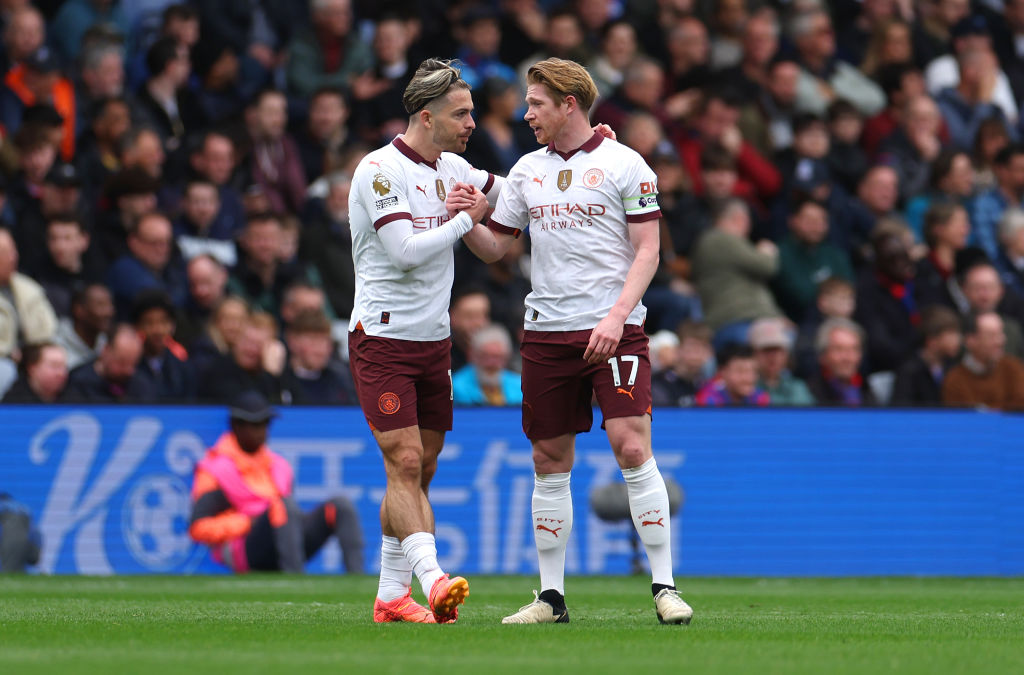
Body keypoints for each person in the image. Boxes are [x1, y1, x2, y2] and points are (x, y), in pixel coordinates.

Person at [455, 57, 693, 625]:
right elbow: (498, 247)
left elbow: (649, 251)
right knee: (548, 459)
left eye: (536, 103)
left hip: (616, 331)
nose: (526, 113)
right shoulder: (527, 170)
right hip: (546, 334)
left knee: (631, 447)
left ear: (568, 104)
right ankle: (551, 598)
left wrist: (615, 319)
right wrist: (466, 220)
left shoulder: (626, 164)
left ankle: (665, 587)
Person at [346, 58, 499, 624]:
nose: (472, 123)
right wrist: (464, 220)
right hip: (383, 338)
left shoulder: (452, 166)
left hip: (434, 342)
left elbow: (512, 192)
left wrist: (583, 156)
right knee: (405, 460)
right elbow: (404, 251)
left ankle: (391, 595)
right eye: (461, 114)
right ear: (427, 116)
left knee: (420, 469)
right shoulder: (379, 170)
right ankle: (434, 582)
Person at [189, 391, 364, 574]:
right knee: (283, 506)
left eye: (265, 424)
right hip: (244, 550)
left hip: (284, 540)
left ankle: (356, 579)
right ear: (236, 426)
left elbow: (287, 515)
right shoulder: (214, 470)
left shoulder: (279, 466)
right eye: (255, 425)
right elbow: (198, 528)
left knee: (340, 506)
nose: (262, 432)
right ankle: (296, 578)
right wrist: (246, 522)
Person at [942, 310, 1024, 410]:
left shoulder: (1014, 368)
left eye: (1001, 333)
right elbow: (965, 416)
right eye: (991, 336)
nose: (1000, 341)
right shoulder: (955, 380)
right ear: (971, 340)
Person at [891, 305, 963, 406]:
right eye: (951, 334)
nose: (958, 339)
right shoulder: (910, 371)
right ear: (932, 340)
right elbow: (901, 407)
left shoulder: (953, 366)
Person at [807, 317, 877, 406]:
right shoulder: (808, 395)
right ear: (822, 356)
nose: (847, 358)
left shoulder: (868, 390)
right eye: (839, 349)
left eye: (854, 349)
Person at [749, 317, 815, 406]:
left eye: (777, 350)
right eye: (766, 350)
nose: (772, 357)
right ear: (754, 354)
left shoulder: (798, 388)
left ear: (786, 354)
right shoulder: (746, 388)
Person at [452, 323, 522, 406]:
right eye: (485, 356)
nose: (492, 363)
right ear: (472, 356)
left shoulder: (519, 385)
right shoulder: (456, 387)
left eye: (497, 357)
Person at [695, 342, 770, 406]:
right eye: (740, 371)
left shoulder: (760, 398)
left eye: (753, 371)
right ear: (722, 372)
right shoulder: (707, 400)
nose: (748, 378)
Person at [1, 342, 68, 403]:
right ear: (32, 369)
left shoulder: (72, 394)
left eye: (63, 366)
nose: (61, 373)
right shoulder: (13, 403)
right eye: (54, 366)